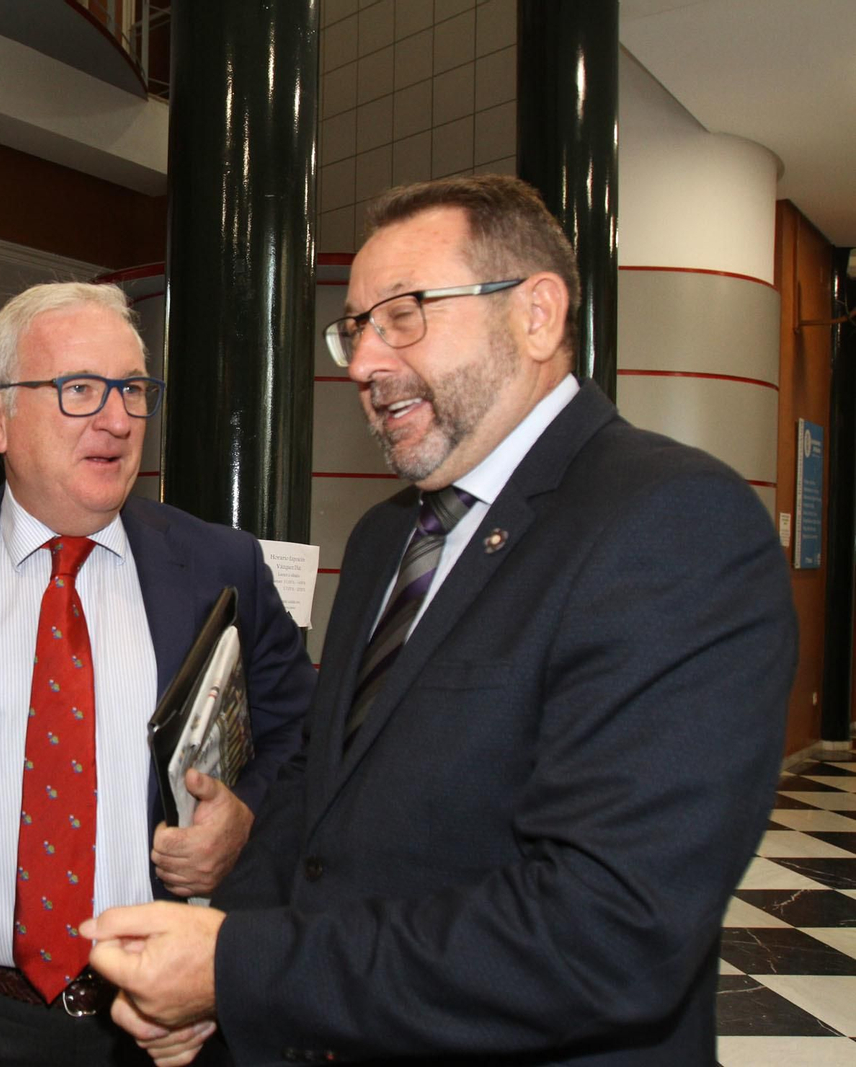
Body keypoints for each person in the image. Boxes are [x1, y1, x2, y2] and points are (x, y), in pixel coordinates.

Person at [82, 174, 798, 1067]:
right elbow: (319, 792)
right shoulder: (390, 536)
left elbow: (610, 930)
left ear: (538, 314)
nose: (366, 363)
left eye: (406, 313)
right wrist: (221, 954)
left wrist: (239, 968)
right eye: (355, 329)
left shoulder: (673, 522)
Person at [0, 281, 315, 1066]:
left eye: (133, 390)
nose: (117, 419)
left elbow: (306, 742)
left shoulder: (221, 568)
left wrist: (246, 816)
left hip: (168, 1030)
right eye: (80, 389)